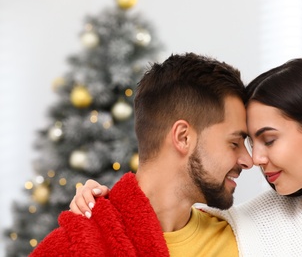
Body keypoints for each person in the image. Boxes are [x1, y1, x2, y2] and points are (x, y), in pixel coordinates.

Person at [72, 58, 302, 256]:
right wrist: (100, 206)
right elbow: (150, 211)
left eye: (269, 139)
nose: (254, 159)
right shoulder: (252, 222)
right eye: (246, 142)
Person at [30, 53, 253, 256]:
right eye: (234, 143)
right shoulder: (78, 244)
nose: (248, 160)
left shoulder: (247, 237)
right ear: (183, 137)